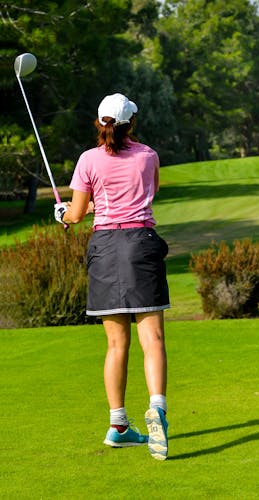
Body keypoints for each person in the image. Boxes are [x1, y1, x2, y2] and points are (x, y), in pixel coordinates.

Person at [55, 93, 169, 461]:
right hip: (141, 243)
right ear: (130, 123)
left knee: (117, 345)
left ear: (99, 122)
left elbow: (76, 214)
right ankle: (158, 415)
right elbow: (150, 191)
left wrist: (64, 214)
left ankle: (118, 425)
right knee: (152, 337)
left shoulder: (88, 159)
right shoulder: (148, 155)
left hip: (105, 247)